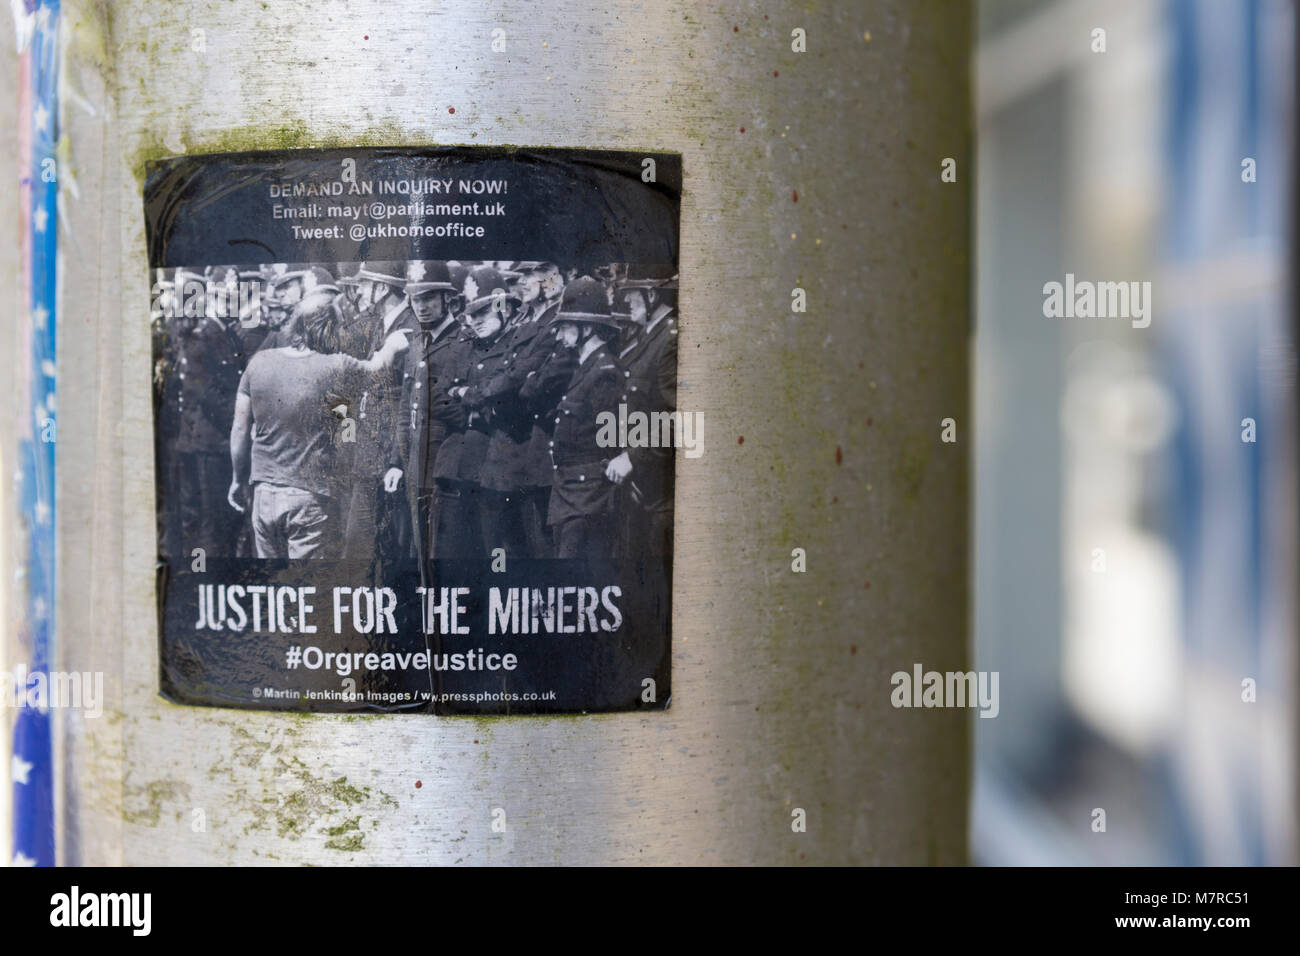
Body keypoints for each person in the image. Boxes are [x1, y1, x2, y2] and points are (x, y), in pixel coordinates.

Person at [228, 290, 410, 559]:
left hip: (264, 493)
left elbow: (240, 430)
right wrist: (393, 345)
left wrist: (237, 479)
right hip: (310, 498)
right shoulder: (335, 366)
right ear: (331, 330)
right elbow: (376, 370)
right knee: (308, 587)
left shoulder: (259, 362)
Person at [429, 266, 515, 559]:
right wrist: (473, 415)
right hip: (455, 468)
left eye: (483, 312)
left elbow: (509, 401)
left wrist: (463, 393)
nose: (475, 321)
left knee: (494, 560)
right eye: (471, 314)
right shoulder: (463, 345)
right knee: (449, 557)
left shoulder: (516, 347)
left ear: (503, 306)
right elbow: (438, 398)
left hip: (497, 471)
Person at [384, 261, 465, 561]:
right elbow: (406, 409)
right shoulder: (416, 342)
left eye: (429, 298)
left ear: (448, 299)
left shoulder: (463, 342)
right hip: (414, 465)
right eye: (416, 299)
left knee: (441, 556)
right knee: (414, 551)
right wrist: (396, 461)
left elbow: (460, 411)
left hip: (445, 468)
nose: (422, 307)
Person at [544, 276, 626, 559]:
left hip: (589, 496)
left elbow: (615, 439)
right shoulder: (584, 368)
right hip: (569, 492)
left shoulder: (605, 373)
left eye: (566, 327)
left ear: (587, 328)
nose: (560, 335)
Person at [609, 265, 678, 556]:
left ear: (651, 295)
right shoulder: (648, 338)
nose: (626, 302)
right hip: (641, 487)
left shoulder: (672, 340)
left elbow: (682, 418)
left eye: (631, 294)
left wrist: (633, 457)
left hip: (661, 493)